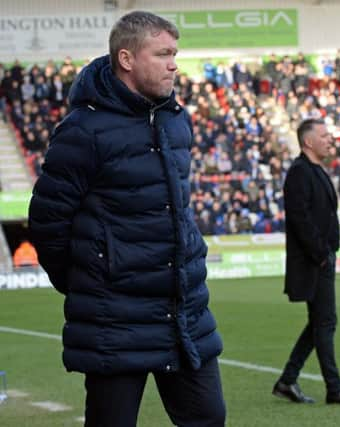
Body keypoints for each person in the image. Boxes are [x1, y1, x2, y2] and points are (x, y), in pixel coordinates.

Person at [28, 11, 225, 427]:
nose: (174, 63)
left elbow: (179, 212)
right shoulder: (83, 130)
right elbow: (47, 222)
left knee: (208, 419)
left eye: (175, 53)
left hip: (183, 313)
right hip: (114, 319)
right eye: (163, 53)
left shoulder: (177, 120)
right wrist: (91, 278)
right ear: (127, 59)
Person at [272, 118, 340, 405]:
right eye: (325, 136)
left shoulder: (313, 170)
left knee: (319, 322)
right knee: (325, 322)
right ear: (308, 142)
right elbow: (300, 219)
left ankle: (288, 381)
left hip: (320, 259)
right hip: (313, 262)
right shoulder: (300, 172)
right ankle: (334, 388)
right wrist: (321, 255)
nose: (330, 140)